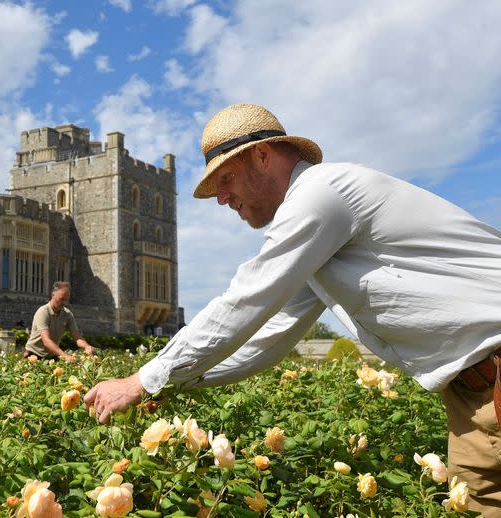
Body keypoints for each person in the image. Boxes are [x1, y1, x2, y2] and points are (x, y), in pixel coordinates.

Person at [84, 103, 501, 514]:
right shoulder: (318, 243)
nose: (222, 198)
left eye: (226, 178)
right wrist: (173, 382)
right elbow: (268, 336)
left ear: (263, 156)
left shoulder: (321, 192)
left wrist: (143, 379)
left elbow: (247, 299)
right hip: (471, 394)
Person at [25, 281, 94, 361]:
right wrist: (65, 356)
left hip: (51, 355)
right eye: (61, 299)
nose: (64, 303)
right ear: (53, 295)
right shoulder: (43, 312)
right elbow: (46, 341)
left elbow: (78, 337)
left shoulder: (67, 314)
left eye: (66, 300)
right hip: (33, 354)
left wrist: (87, 346)